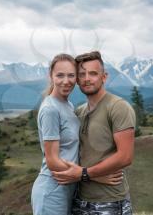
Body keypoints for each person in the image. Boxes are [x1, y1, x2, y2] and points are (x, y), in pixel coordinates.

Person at [31, 53, 123, 215]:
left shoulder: (67, 105)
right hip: (52, 190)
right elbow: (52, 160)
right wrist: (92, 176)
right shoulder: (50, 109)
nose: (66, 81)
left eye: (71, 75)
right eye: (60, 75)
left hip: (68, 189)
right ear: (51, 76)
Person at [52, 51, 136, 215]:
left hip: (110, 201)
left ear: (104, 77)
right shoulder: (79, 112)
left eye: (93, 73)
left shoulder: (118, 107)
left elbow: (125, 156)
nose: (87, 78)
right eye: (82, 74)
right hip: (80, 199)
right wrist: (86, 176)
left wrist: (84, 173)